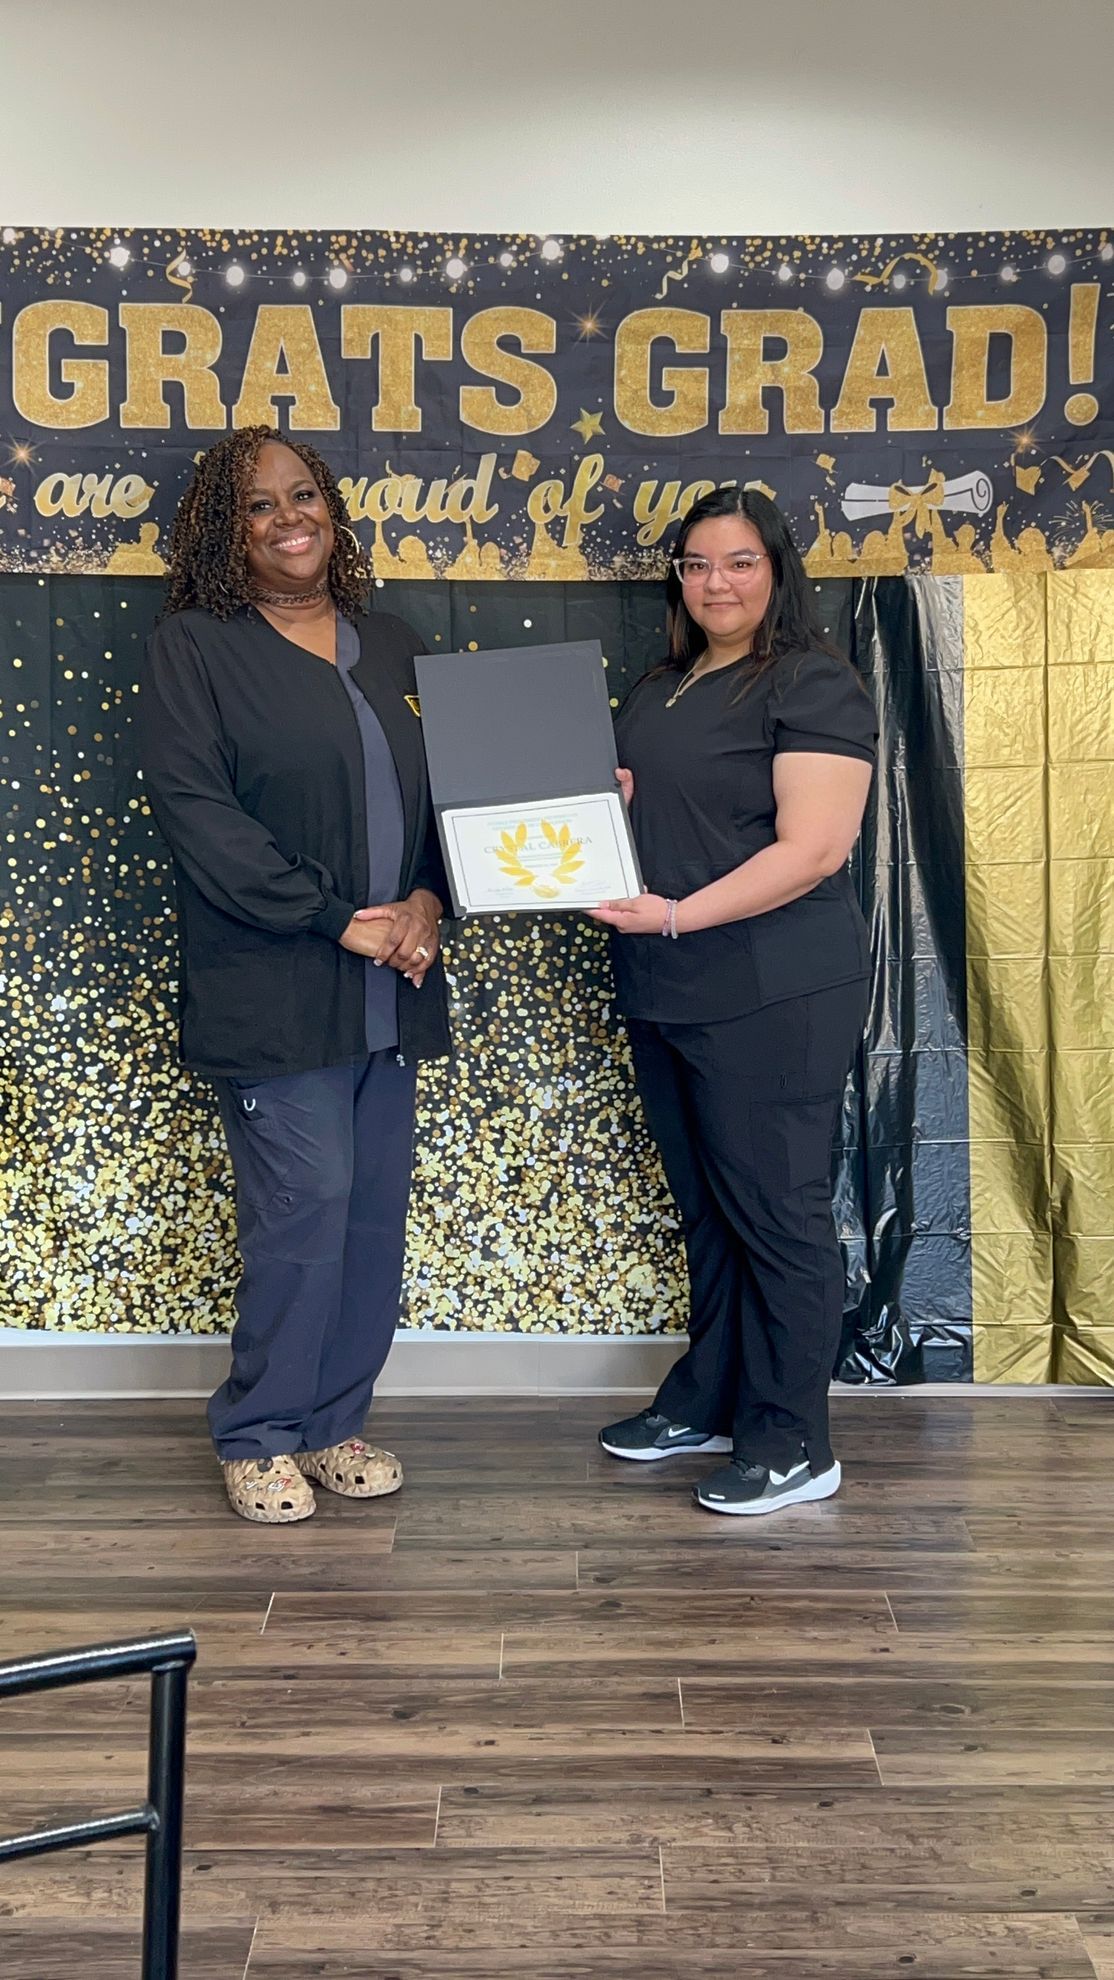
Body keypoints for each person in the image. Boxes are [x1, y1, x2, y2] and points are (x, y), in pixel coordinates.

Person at [139, 427, 451, 1524]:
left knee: (369, 1216)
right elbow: (200, 818)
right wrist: (335, 920)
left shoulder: (396, 644)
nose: (288, 518)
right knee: (304, 1207)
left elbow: (451, 803)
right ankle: (260, 1431)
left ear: (332, 509)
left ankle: (332, 1424)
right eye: (258, 505)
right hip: (274, 986)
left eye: (303, 495)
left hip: (394, 983)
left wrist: (427, 902)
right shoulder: (195, 648)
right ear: (225, 533)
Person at [591, 488, 877, 1517]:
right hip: (668, 986)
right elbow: (660, 811)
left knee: (777, 1215)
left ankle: (794, 1440)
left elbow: (814, 851)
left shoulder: (811, 681)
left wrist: (674, 916)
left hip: (773, 988)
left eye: (740, 561)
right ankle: (709, 1398)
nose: (716, 583)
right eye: (697, 564)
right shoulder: (663, 685)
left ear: (777, 571)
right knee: (710, 1213)